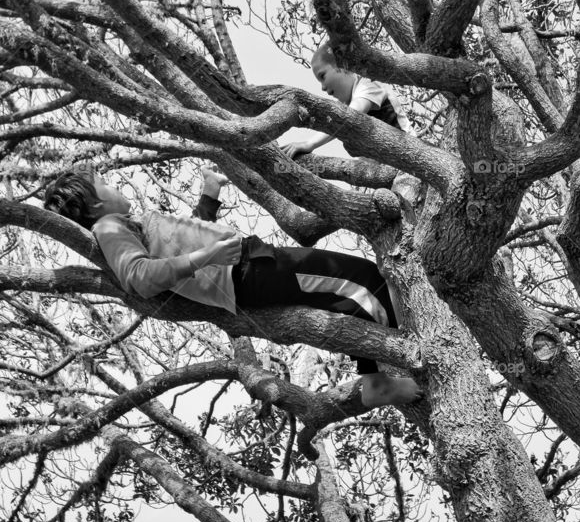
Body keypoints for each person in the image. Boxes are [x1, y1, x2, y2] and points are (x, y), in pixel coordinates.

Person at [41, 164, 422, 409]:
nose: (113, 185)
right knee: (364, 279)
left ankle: (381, 371)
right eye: (103, 185)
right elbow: (139, 276)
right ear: (93, 207)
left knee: (344, 289)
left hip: (248, 264)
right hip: (246, 273)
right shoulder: (109, 227)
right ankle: (397, 361)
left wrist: (209, 195)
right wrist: (208, 258)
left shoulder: (128, 225)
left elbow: (185, 241)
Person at [280, 42, 409, 159]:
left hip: (407, 154)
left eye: (322, 76)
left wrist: (309, 144)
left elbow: (348, 118)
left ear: (342, 66)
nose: (323, 87)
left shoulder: (368, 83)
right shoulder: (349, 102)